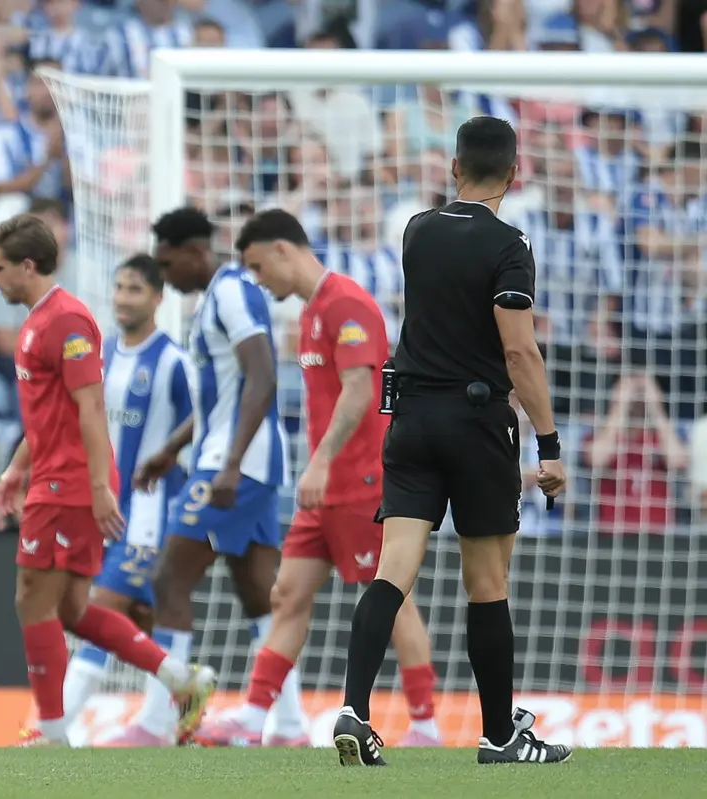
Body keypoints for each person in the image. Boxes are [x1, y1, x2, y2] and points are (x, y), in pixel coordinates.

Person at [332, 116, 570, 767]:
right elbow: (519, 350)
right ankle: (499, 735)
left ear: (454, 167)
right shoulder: (510, 243)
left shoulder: (418, 228)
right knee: (486, 581)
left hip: (410, 419)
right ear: (514, 174)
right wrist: (548, 443)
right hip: (475, 421)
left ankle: (354, 708)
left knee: (394, 569)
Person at [194, 208, 441, 748]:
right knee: (288, 594)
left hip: (361, 485)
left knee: (391, 598)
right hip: (324, 489)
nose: (259, 280)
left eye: (260, 267)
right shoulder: (311, 312)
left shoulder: (346, 303)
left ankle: (426, 723)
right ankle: (255, 719)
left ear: (284, 250)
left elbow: (359, 390)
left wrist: (323, 459)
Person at [0, 214, 216, 748]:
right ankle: (181, 679)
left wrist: (97, 487)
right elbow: (50, 415)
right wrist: (16, 469)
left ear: (27, 265)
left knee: (32, 602)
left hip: (68, 485)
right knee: (72, 611)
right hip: (53, 477)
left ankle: (54, 731)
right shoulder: (41, 320)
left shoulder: (66, 321)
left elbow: (90, 409)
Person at [134, 207, 297, 745]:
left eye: (166, 262)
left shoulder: (230, 292)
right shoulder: (214, 300)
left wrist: (228, 464)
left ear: (195, 252)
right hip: (236, 458)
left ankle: (159, 721)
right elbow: (221, 398)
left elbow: (264, 376)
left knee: (168, 578)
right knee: (257, 594)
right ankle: (290, 725)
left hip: (236, 466)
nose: (163, 275)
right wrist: (170, 449)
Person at [60, 254, 194, 745]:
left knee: (101, 610)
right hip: (104, 510)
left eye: (134, 289)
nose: (122, 298)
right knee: (143, 618)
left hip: (150, 516)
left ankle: (53, 727)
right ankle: (184, 696)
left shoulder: (174, 363)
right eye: (118, 287)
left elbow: (201, 426)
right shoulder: (102, 356)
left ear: (158, 297)